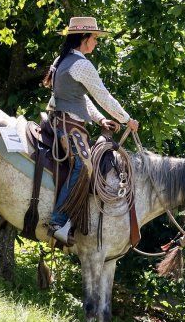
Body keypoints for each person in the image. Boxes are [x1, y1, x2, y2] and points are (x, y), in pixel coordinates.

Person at [46, 16, 139, 245]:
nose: (96, 42)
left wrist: (99, 119)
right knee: (84, 166)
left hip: (59, 120)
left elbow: (80, 96)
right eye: (94, 38)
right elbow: (103, 96)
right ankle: (57, 222)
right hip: (69, 126)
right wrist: (127, 119)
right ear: (84, 38)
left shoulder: (62, 60)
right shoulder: (81, 64)